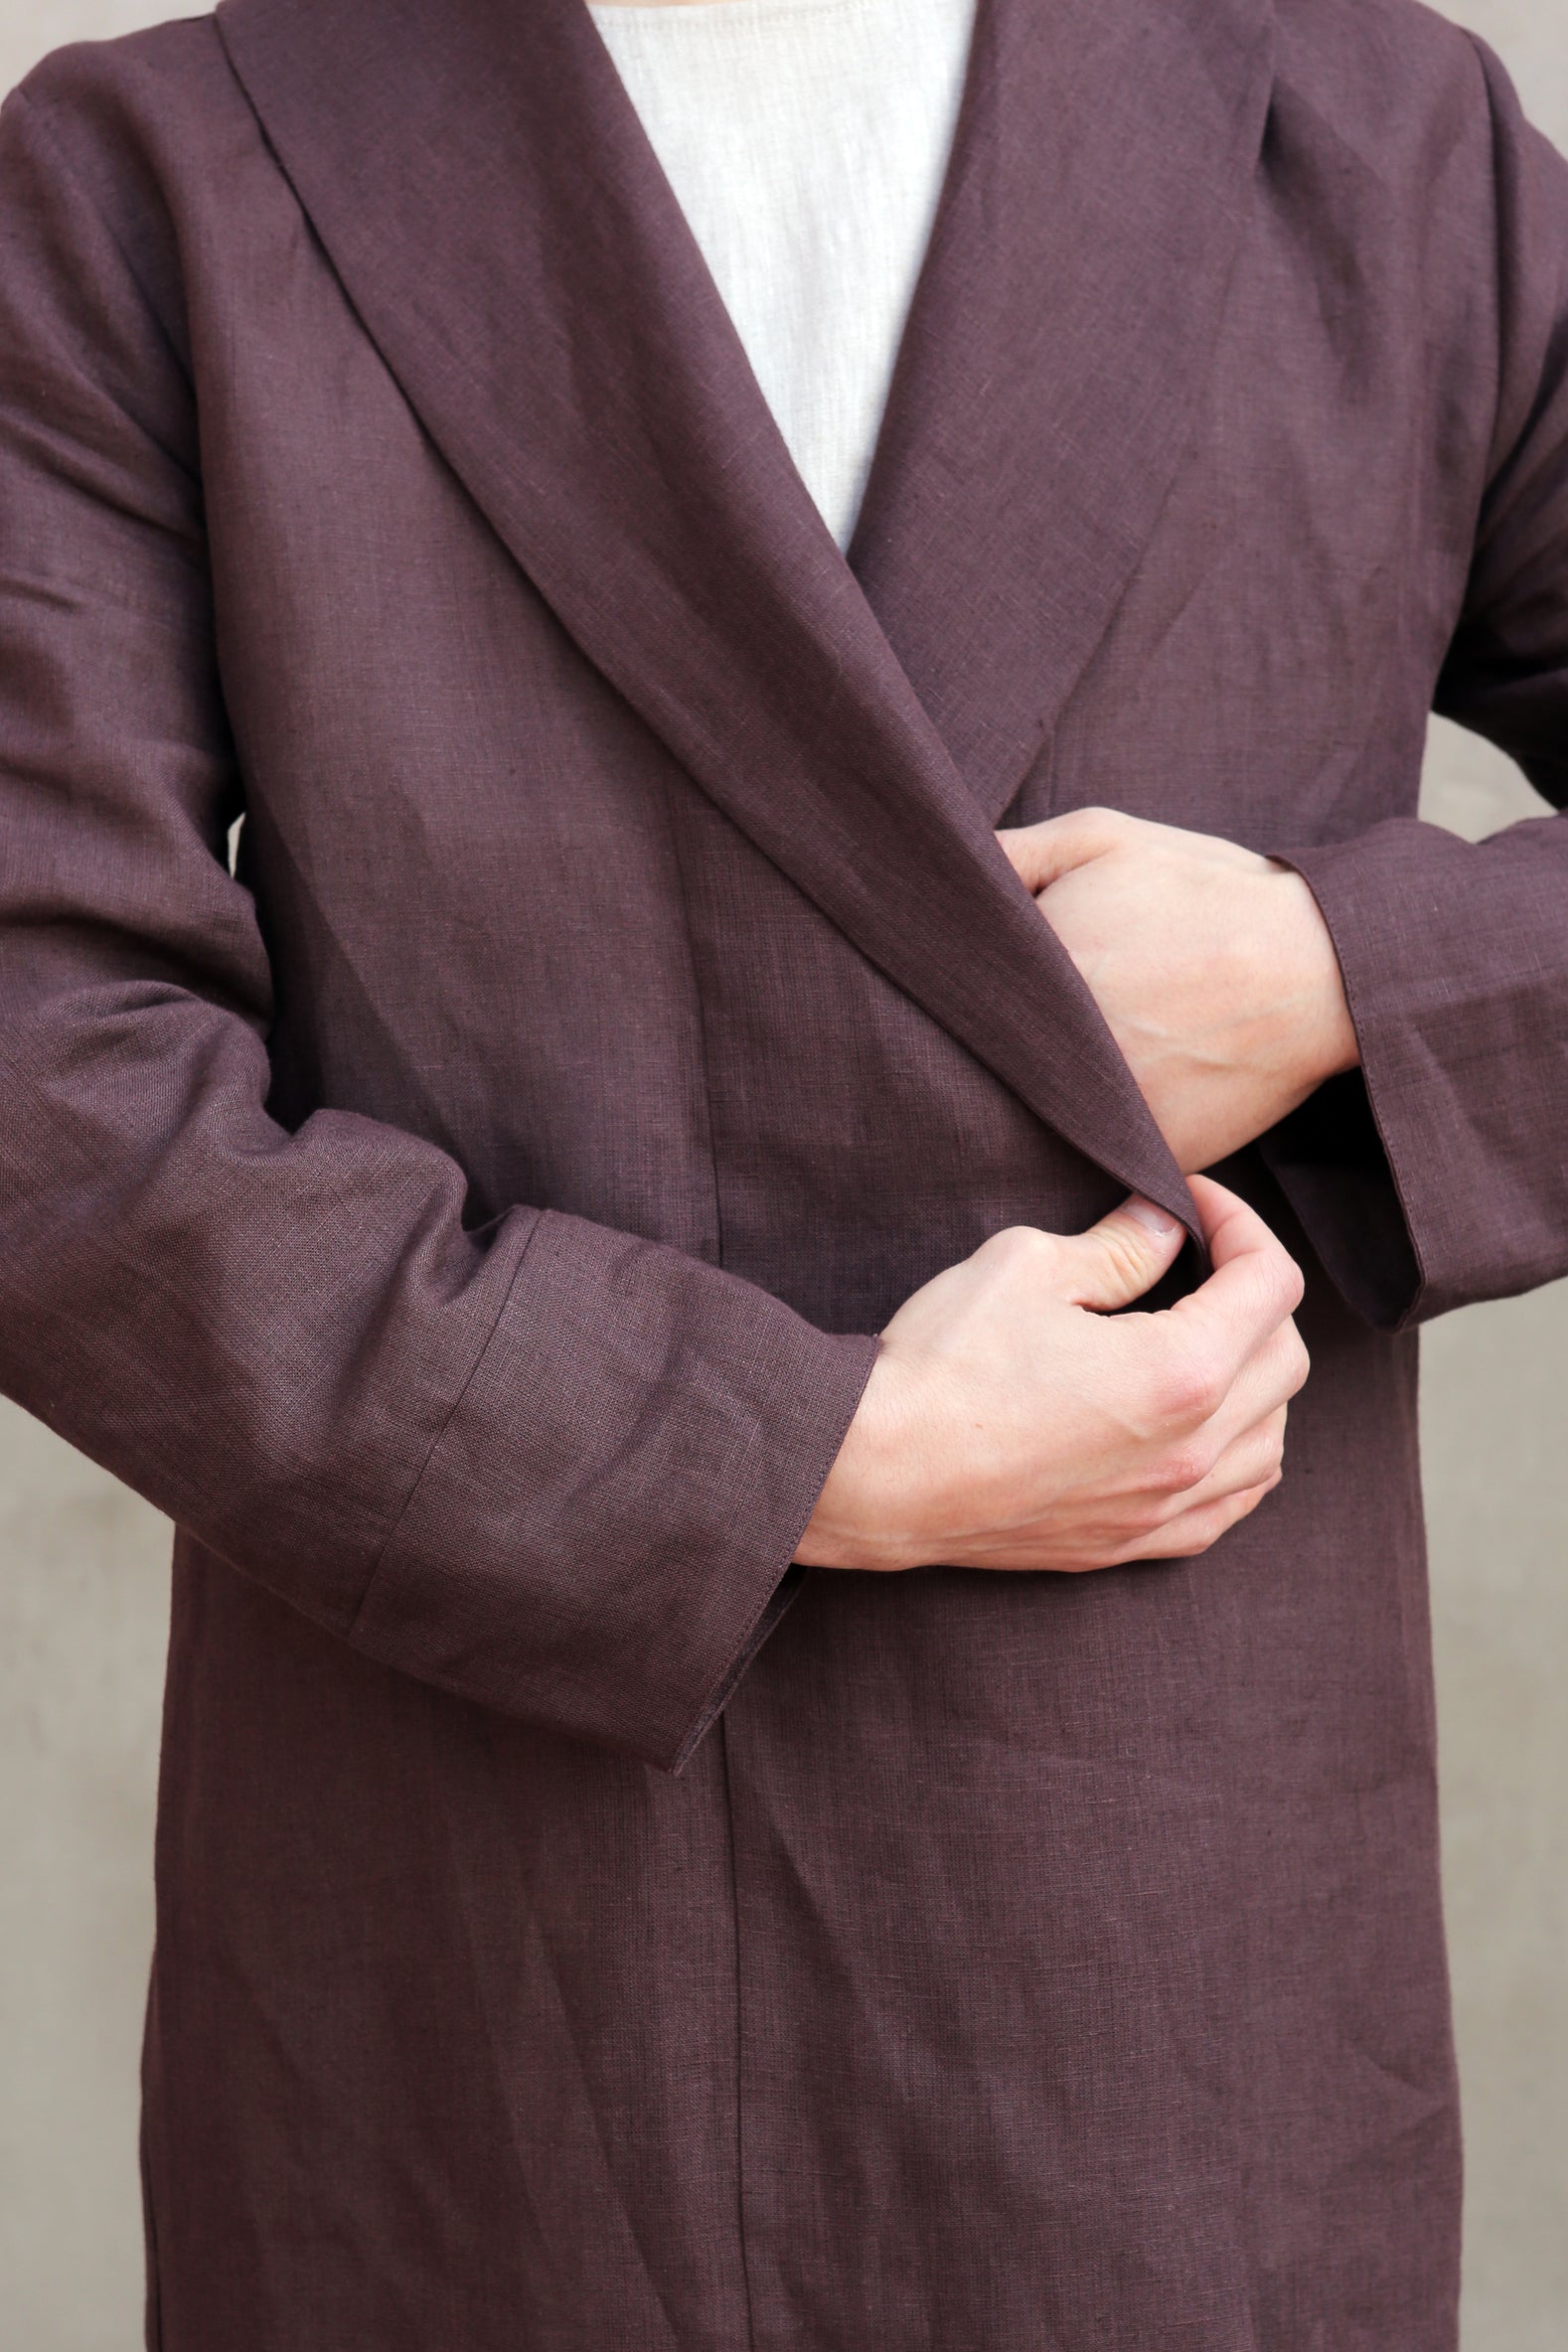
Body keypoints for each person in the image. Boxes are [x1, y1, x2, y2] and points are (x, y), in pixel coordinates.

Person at [0, 0, 1564, 2342]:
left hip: (1159, 1955)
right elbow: (46, 1076)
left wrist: (1345, 964)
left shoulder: (1383, 136)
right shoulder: (165, 164)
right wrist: (791, 1449)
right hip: (477, 1973)